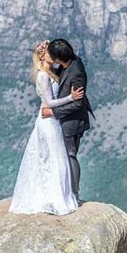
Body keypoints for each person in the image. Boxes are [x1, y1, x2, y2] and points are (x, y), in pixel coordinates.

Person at [9, 40, 86, 215]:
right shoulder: (44, 76)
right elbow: (49, 103)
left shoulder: (51, 71)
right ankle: (58, 196)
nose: (52, 54)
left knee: (55, 157)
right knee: (54, 157)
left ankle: (63, 194)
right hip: (48, 120)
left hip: (52, 120)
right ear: (42, 56)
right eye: (48, 52)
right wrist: (71, 98)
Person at [41, 38, 94, 202]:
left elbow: (77, 104)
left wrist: (53, 112)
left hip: (72, 122)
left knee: (70, 155)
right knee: (62, 155)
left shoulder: (76, 72)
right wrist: (46, 50)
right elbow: (53, 72)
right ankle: (65, 190)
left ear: (58, 58)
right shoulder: (67, 63)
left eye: (51, 54)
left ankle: (74, 194)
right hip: (64, 120)